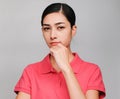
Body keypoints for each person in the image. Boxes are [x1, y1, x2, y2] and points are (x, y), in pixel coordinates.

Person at [14, 3, 106, 99]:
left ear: (73, 30)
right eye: (47, 28)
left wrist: (66, 68)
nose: (52, 35)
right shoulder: (31, 71)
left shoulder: (92, 71)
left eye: (60, 27)